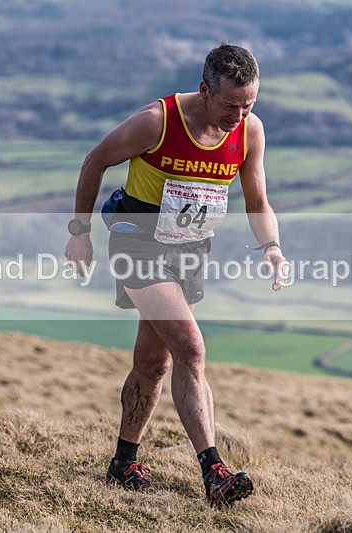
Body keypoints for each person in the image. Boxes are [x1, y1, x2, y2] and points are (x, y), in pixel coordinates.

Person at [64, 43, 287, 508]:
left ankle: (123, 464)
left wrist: (273, 248)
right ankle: (215, 471)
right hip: (136, 240)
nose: (239, 115)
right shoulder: (157, 121)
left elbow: (258, 201)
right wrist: (80, 233)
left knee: (154, 362)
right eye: (230, 105)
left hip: (188, 250)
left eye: (249, 104)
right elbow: (94, 161)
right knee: (190, 347)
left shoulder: (249, 132)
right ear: (205, 90)